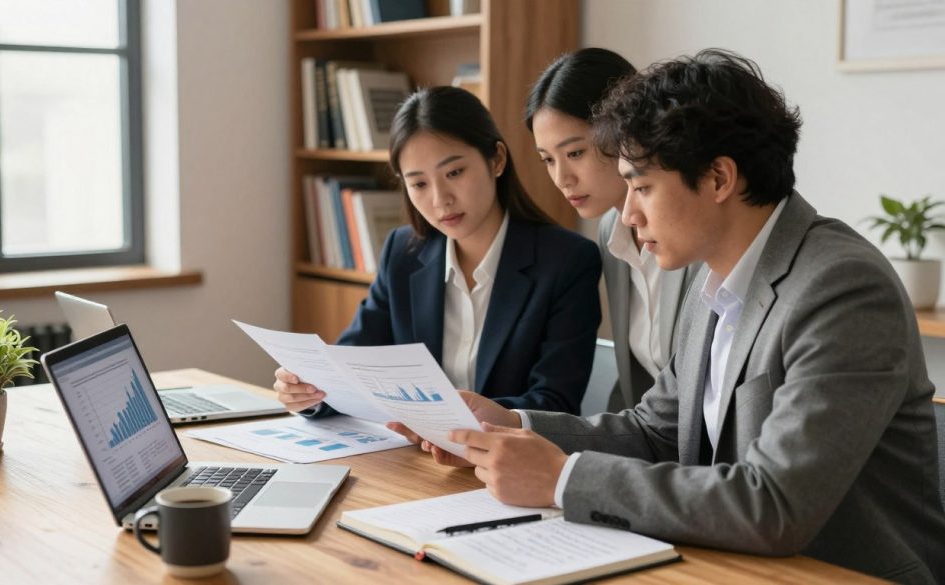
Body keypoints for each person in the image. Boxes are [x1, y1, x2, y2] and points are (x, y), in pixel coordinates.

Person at [407, 50, 945, 583]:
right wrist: (515, 426)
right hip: (724, 562)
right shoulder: (714, 277)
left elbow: (775, 504)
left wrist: (563, 479)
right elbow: (656, 431)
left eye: (642, 187)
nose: (631, 213)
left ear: (718, 179)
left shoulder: (841, 287)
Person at [275, 86, 602, 416]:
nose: (439, 199)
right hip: (416, 456)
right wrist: (310, 391)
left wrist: (457, 420)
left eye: (454, 173)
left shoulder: (567, 261)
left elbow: (556, 402)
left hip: (508, 460)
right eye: (419, 183)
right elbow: (350, 366)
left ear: (497, 160)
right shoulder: (402, 253)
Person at [525, 48, 701, 411]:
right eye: (547, 159)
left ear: (624, 130)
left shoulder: (691, 224)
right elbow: (632, 390)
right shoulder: (610, 231)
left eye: (574, 153)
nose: (562, 179)